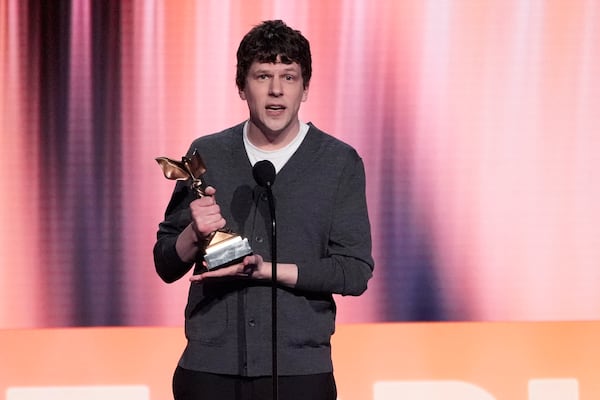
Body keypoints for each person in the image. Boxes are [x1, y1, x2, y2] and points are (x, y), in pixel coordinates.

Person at [153, 19, 374, 400]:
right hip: (210, 369)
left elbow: (354, 271)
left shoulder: (339, 162)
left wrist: (267, 271)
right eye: (262, 76)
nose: (276, 90)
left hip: (298, 372)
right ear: (242, 86)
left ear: (305, 88)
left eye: (289, 76)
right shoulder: (208, 154)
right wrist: (193, 234)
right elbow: (165, 263)